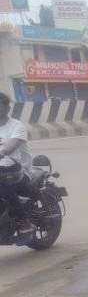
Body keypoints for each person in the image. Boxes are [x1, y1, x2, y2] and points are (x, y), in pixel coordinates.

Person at [0, 92, 35, 245]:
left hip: (19, 171)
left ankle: (23, 221)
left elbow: (10, 146)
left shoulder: (16, 126)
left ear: (7, 108)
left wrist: (2, 151)